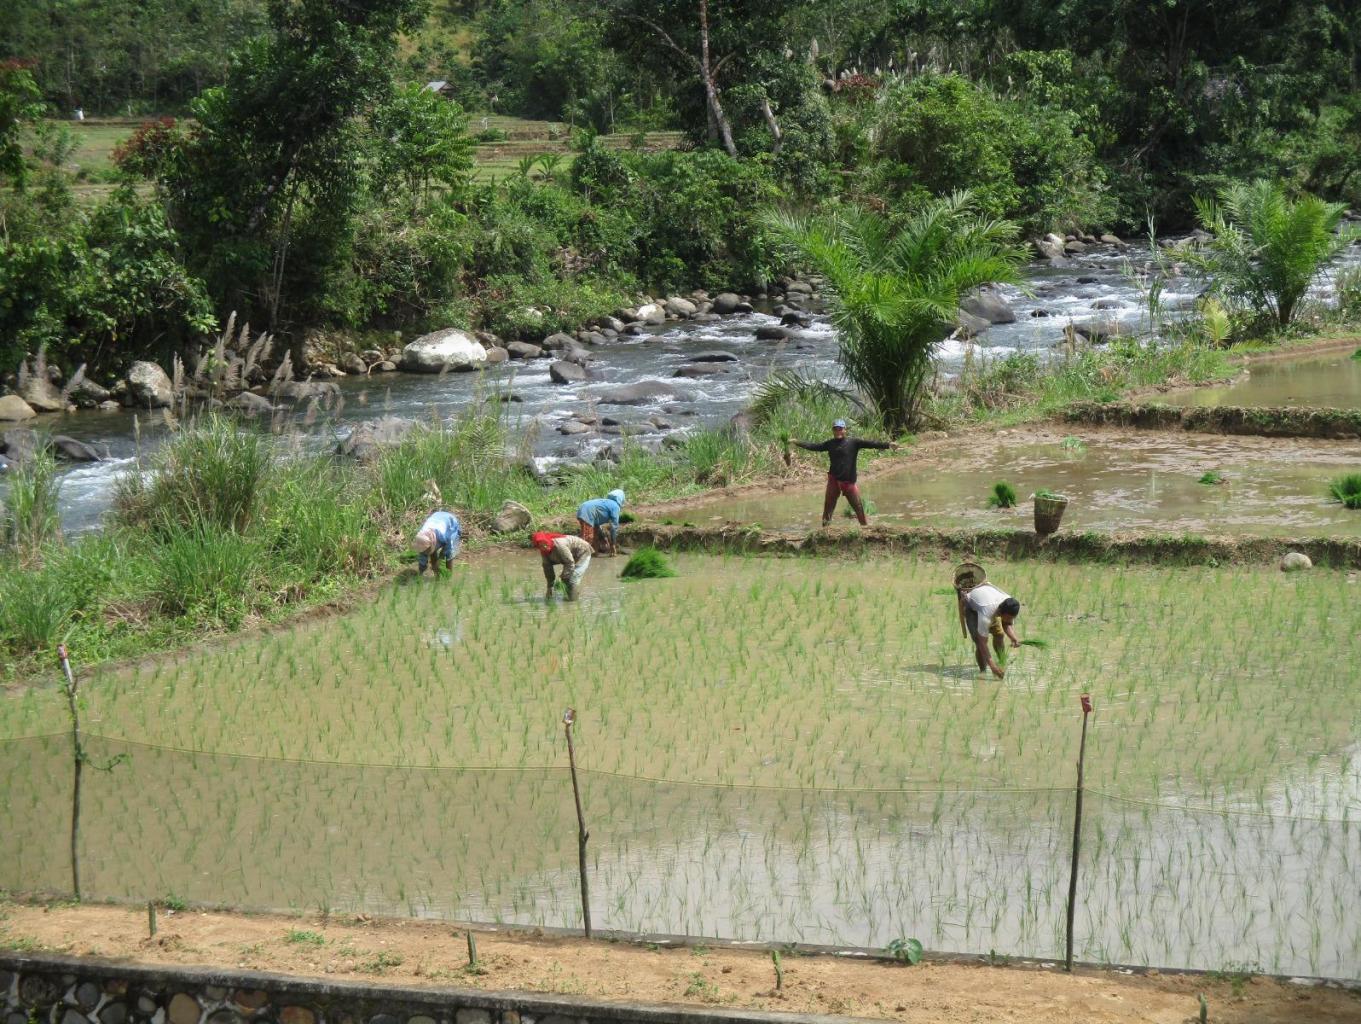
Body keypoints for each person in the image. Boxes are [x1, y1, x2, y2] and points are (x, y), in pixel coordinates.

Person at [792, 420, 899, 526]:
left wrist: (888, 445)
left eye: (840, 429)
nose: (838, 431)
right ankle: (825, 532)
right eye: (835, 429)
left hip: (848, 482)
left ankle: (866, 530)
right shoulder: (830, 444)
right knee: (828, 507)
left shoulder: (854, 442)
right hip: (833, 480)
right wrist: (797, 442)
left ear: (845, 430)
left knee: (858, 508)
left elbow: (871, 444)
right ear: (833, 431)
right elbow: (813, 446)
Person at [957, 580, 1021, 679]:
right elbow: (983, 642)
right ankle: (983, 671)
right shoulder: (987, 613)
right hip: (972, 610)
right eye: (1009, 617)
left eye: (1012, 618)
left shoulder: (1009, 603)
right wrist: (993, 666)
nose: (1011, 620)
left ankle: (1002, 663)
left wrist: (1013, 638)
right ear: (1001, 613)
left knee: (999, 635)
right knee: (979, 643)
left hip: (988, 601)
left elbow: (1006, 623)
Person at [533, 530, 594, 600]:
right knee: (566, 579)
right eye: (540, 545)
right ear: (538, 546)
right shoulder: (544, 552)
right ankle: (568, 599)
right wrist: (549, 587)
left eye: (545, 543)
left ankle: (573, 603)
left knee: (573, 578)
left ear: (547, 540)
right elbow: (548, 569)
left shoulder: (559, 545)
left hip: (583, 551)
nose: (544, 546)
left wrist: (562, 577)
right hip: (570, 556)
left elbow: (570, 563)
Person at [576, 488, 626, 555]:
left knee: (594, 534)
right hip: (587, 512)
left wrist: (604, 537)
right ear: (621, 499)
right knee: (588, 537)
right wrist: (613, 545)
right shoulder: (615, 506)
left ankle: (594, 552)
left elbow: (597, 526)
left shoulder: (606, 503)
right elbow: (614, 527)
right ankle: (580, 556)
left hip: (585, 510)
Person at [412, 509, 461, 574]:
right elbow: (422, 556)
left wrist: (441, 558)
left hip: (450, 523)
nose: (425, 552)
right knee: (431, 552)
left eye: (427, 550)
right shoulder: (422, 540)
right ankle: (436, 573)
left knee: (449, 555)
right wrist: (420, 572)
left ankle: (448, 576)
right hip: (436, 518)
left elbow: (449, 549)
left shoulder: (443, 536)